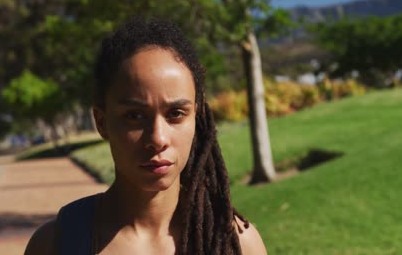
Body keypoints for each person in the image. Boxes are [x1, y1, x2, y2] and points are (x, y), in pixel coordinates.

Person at [25, 18, 266, 255]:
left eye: (176, 114)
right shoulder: (56, 244)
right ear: (102, 122)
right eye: (134, 116)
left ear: (197, 116)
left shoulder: (234, 244)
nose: (158, 138)